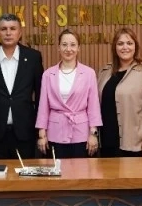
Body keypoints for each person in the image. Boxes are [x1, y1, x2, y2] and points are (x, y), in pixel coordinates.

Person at [0, 13, 43, 160]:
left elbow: (40, 96)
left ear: (20, 33)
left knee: (24, 172)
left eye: (13, 28)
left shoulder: (33, 57)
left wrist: (41, 129)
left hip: (24, 132)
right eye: (4, 29)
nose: (8, 33)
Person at [97, 27, 142, 157]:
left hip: (134, 145)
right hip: (106, 142)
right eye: (120, 43)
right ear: (115, 47)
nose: (125, 47)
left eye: (129, 43)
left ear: (135, 46)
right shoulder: (104, 72)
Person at [36, 29, 102, 159]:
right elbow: (43, 106)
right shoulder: (48, 74)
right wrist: (42, 134)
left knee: (81, 169)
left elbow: (93, 106)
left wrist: (93, 134)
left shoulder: (89, 73)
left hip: (81, 132)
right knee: (57, 169)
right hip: (55, 131)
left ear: (78, 48)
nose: (68, 49)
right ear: (58, 47)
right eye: (64, 44)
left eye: (73, 45)